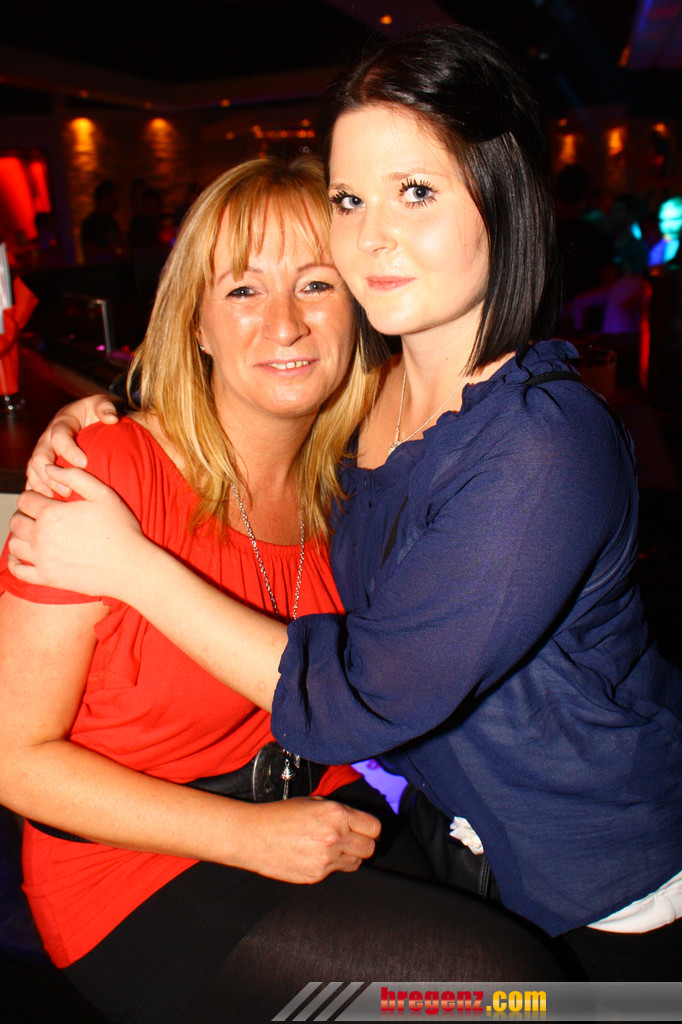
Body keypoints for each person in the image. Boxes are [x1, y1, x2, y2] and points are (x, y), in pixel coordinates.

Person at [12, 27, 682, 982]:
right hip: (331, 846)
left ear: (501, 195)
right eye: (350, 200)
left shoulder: (502, 444)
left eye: (416, 191)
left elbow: (361, 697)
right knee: (485, 987)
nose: (371, 238)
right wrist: (90, 418)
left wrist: (131, 564)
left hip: (593, 864)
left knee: (522, 1000)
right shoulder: (347, 419)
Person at [0, 155, 564, 1022]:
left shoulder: (357, 469)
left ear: (358, 308)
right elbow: (13, 757)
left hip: (318, 804)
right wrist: (246, 836)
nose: (286, 323)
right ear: (196, 324)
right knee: (505, 987)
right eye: (243, 291)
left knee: (523, 957)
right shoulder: (103, 477)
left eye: (315, 285)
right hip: (133, 870)